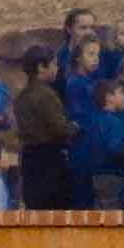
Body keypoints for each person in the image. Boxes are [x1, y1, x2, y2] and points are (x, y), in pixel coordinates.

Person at [15, 45, 75, 210]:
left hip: (29, 159)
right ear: (41, 67)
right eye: (54, 64)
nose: (58, 67)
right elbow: (58, 128)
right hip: (49, 160)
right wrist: (74, 127)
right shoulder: (46, 95)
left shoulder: (22, 97)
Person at [70, 78, 124, 208]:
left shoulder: (95, 119)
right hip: (112, 178)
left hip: (97, 177)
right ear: (109, 97)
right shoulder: (114, 122)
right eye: (121, 93)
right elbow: (115, 148)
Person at [55, 9, 99, 99]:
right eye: (83, 28)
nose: (89, 32)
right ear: (69, 29)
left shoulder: (101, 54)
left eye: (92, 27)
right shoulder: (59, 59)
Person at [64, 35, 104, 123]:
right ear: (78, 57)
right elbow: (80, 116)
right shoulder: (75, 83)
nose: (96, 59)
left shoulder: (90, 80)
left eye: (97, 55)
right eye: (91, 54)